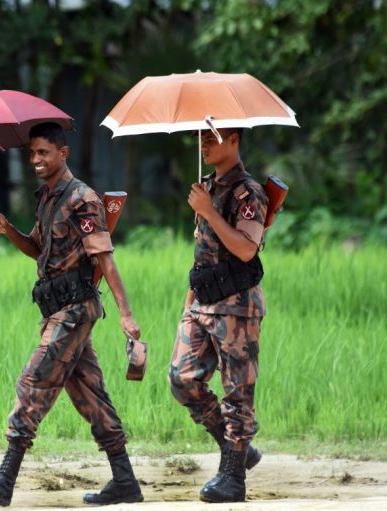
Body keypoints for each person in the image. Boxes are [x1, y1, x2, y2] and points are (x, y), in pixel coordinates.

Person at [0, 122, 144, 507]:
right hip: (57, 310)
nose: (35, 160)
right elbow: (36, 248)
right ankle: (125, 482)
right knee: (90, 396)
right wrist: (7, 230)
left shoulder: (82, 199)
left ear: (63, 153)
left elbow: (104, 257)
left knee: (34, 381)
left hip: (75, 311)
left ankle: (5, 478)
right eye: (31, 153)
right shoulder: (48, 198)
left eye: (43, 152)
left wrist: (125, 314)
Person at [168, 127, 268, 503]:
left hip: (236, 307)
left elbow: (245, 249)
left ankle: (233, 478)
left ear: (235, 140)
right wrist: (186, 306)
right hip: (202, 303)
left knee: (237, 392)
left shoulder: (249, 193)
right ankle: (235, 448)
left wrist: (208, 210)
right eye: (200, 138)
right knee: (182, 379)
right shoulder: (205, 187)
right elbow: (203, 254)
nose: (204, 144)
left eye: (212, 137)